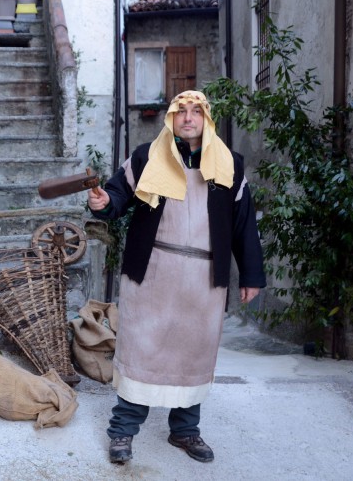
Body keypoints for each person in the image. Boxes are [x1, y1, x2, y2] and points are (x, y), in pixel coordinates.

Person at [87, 90, 266, 464]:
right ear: (171, 118)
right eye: (181, 111)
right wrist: (104, 203)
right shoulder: (147, 157)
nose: (188, 117)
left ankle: (185, 430)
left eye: (196, 111)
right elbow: (117, 196)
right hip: (153, 272)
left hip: (203, 278)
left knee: (193, 354)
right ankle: (122, 431)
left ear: (206, 119)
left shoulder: (229, 165)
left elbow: (243, 225)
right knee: (141, 350)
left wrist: (251, 275)